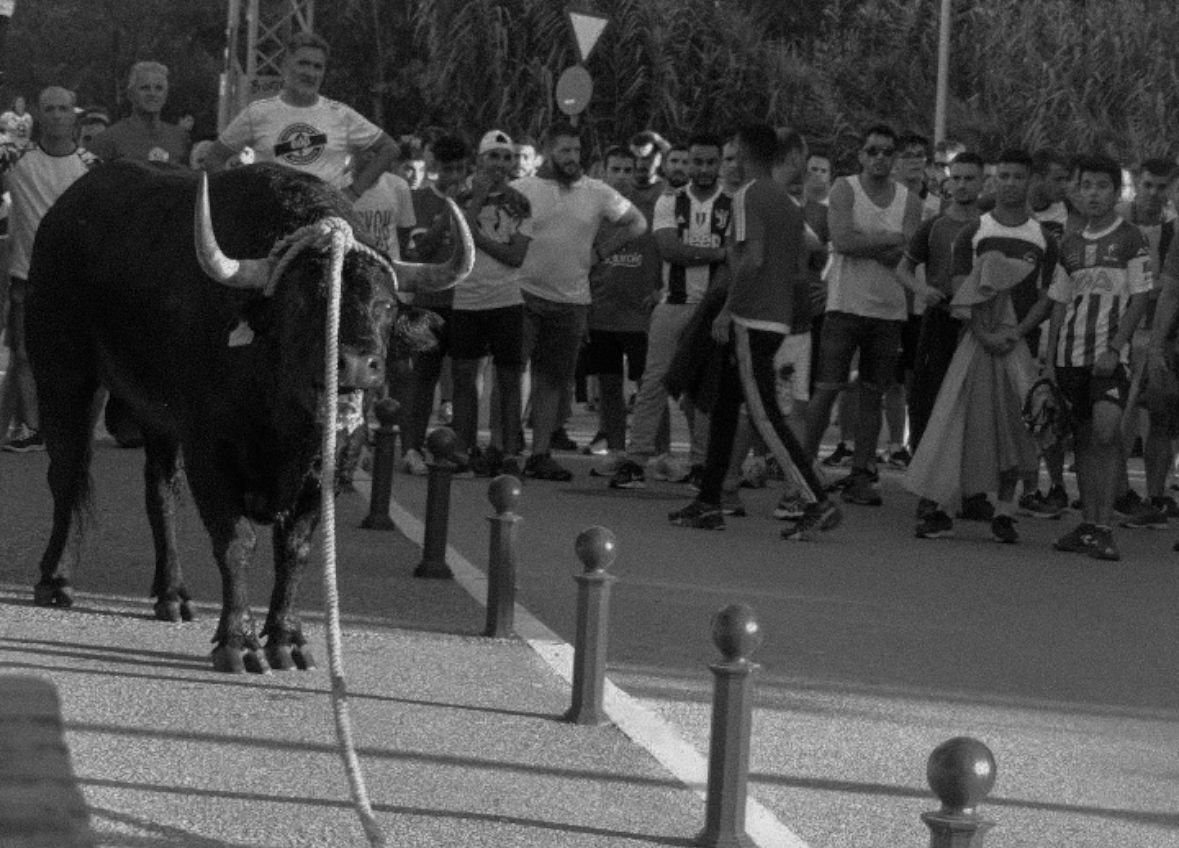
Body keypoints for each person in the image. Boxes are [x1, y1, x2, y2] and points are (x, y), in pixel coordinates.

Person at [668, 123, 841, 540]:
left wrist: (729, 309)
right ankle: (710, 499)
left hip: (753, 318)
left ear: (745, 152)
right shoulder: (784, 201)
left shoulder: (748, 196)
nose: (730, 162)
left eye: (732, 154)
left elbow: (751, 259)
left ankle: (815, 498)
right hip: (775, 316)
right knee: (727, 408)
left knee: (764, 414)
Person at [905, 149, 1058, 542]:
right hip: (973, 342)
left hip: (1016, 347)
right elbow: (960, 288)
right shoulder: (973, 232)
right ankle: (941, 508)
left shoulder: (1042, 237)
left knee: (1015, 427)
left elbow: (1048, 296)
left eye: (1017, 177)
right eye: (1002, 176)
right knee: (958, 423)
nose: (1009, 184)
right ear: (995, 180)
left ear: (1029, 181)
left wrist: (1017, 331)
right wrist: (984, 331)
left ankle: (1005, 511)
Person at [511, 121, 646, 481]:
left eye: (577, 151)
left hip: (571, 299)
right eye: (565, 151)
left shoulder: (597, 191)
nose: (573, 158)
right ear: (548, 152)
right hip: (522, 294)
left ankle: (540, 453)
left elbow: (637, 223)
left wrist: (601, 252)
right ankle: (505, 448)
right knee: (510, 373)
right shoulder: (521, 189)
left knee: (552, 380)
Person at [803, 123, 924, 507]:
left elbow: (904, 255)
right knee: (827, 388)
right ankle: (802, 467)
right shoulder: (845, 188)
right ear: (861, 155)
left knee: (874, 391)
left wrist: (865, 243)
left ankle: (862, 472)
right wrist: (890, 240)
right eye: (873, 151)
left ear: (896, 158)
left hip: (889, 311)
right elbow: (842, 240)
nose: (880, 158)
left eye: (888, 152)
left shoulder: (910, 200)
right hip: (844, 306)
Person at [610, 133, 730, 490]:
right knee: (654, 383)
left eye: (711, 162)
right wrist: (717, 253)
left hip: (711, 310)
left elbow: (732, 258)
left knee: (706, 390)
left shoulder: (732, 202)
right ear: (687, 163)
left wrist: (703, 253)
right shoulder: (670, 200)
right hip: (673, 305)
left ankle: (701, 463)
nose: (704, 169)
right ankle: (636, 459)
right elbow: (667, 249)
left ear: (719, 164)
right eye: (698, 162)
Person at [1048, 155, 1152, 562]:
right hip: (1068, 356)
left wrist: (1114, 349)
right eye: (1086, 185)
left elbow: (1140, 298)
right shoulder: (1069, 244)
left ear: (1117, 191)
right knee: (1086, 441)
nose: (1093, 193)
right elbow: (1059, 302)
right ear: (1075, 190)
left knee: (1108, 435)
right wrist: (1049, 359)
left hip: (1110, 358)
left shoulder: (1131, 238)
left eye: (1102, 186)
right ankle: (1088, 525)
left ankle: (1105, 528)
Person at [0, 87, 97, 452]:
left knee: (73, 357)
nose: (57, 115)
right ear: (38, 115)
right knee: (24, 353)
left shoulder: (90, 165)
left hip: (73, 279)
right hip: (27, 276)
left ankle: (68, 427)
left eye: (64, 109)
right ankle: (34, 428)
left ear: (75, 115)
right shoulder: (13, 156)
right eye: (50, 109)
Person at [205, 31, 399, 199]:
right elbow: (213, 158)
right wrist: (240, 197)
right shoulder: (257, 113)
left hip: (325, 224)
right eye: (303, 63)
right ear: (285, 65)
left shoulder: (341, 114)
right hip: (270, 223)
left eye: (318, 67)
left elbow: (389, 148)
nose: (310, 73)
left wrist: (353, 193)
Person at [897, 152, 985, 520]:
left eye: (969, 178)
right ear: (948, 182)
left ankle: (974, 492)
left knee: (974, 405)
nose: (962, 185)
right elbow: (903, 269)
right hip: (938, 318)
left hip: (976, 322)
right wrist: (922, 291)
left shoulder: (988, 227)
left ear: (982, 183)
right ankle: (929, 490)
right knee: (928, 403)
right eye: (957, 178)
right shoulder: (933, 226)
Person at [448, 129, 532, 477]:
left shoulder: (519, 202)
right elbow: (458, 243)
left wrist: (480, 239)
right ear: (480, 160)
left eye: (506, 158)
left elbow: (516, 256)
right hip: (467, 299)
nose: (499, 164)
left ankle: (509, 451)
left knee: (509, 378)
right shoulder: (462, 196)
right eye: (493, 157)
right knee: (465, 378)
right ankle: (463, 450)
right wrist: (478, 199)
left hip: (506, 300)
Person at [582, 145, 662, 470]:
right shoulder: (592, 212)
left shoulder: (649, 211)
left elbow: (664, 253)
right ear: (603, 171)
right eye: (615, 169)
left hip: (641, 315)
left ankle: (659, 452)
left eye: (628, 170)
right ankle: (615, 449)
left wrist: (660, 289)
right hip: (601, 311)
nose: (622, 177)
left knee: (650, 385)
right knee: (609, 384)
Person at [398, 135, 470, 476]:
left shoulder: (477, 200)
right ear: (434, 169)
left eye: (460, 168)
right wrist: (448, 211)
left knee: (465, 378)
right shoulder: (418, 200)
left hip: (467, 303)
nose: (454, 176)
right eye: (447, 169)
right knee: (423, 377)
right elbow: (418, 254)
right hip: (429, 304)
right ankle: (411, 448)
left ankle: (460, 448)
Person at [85, 62, 189, 165]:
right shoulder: (107, 140)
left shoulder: (179, 138)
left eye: (159, 88)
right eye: (145, 88)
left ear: (166, 95)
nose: (152, 94)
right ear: (130, 94)